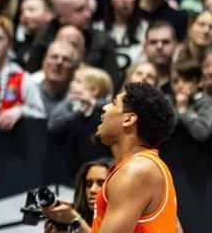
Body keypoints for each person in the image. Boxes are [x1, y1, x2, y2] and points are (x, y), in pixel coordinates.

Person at [87, 83, 181, 232]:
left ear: (129, 119)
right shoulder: (150, 167)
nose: (104, 108)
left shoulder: (135, 171)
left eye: (113, 103)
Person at [41, 158, 113, 232]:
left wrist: (76, 220)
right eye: (89, 184)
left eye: (101, 184)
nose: (92, 190)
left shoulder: (121, 223)